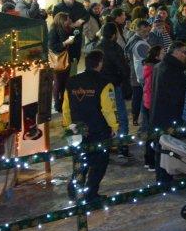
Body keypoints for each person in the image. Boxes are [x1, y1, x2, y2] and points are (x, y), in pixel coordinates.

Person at [64, 50, 118, 201]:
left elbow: (66, 108)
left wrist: (68, 126)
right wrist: (114, 126)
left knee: (79, 161)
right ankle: (91, 193)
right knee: (100, 163)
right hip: (98, 129)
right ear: (100, 63)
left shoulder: (71, 82)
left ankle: (74, 191)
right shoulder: (104, 83)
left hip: (76, 129)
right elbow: (108, 109)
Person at [149, 42, 186, 183]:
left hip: (157, 114)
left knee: (161, 147)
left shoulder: (159, 66)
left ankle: (162, 177)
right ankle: (165, 179)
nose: (185, 55)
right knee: (167, 148)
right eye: (184, 52)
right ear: (176, 52)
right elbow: (177, 97)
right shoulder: (174, 72)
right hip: (169, 116)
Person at [96, 22, 133, 163]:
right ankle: (122, 147)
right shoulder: (115, 48)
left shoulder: (97, 46)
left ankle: (108, 146)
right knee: (121, 117)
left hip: (100, 87)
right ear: (113, 34)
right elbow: (123, 68)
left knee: (105, 115)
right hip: (114, 86)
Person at [49, 12, 82, 119]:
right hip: (57, 61)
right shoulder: (54, 30)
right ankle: (57, 104)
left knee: (65, 83)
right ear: (62, 20)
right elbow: (52, 46)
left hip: (67, 59)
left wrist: (74, 34)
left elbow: (74, 39)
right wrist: (65, 43)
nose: (69, 20)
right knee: (58, 83)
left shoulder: (68, 28)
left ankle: (64, 102)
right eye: (67, 19)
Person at [125, 20, 152, 128]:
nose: (147, 33)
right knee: (139, 97)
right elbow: (147, 58)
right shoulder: (139, 43)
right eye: (144, 31)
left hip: (135, 73)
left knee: (138, 96)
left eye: (148, 31)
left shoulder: (134, 39)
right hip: (139, 74)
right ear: (138, 29)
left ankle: (136, 118)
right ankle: (138, 119)